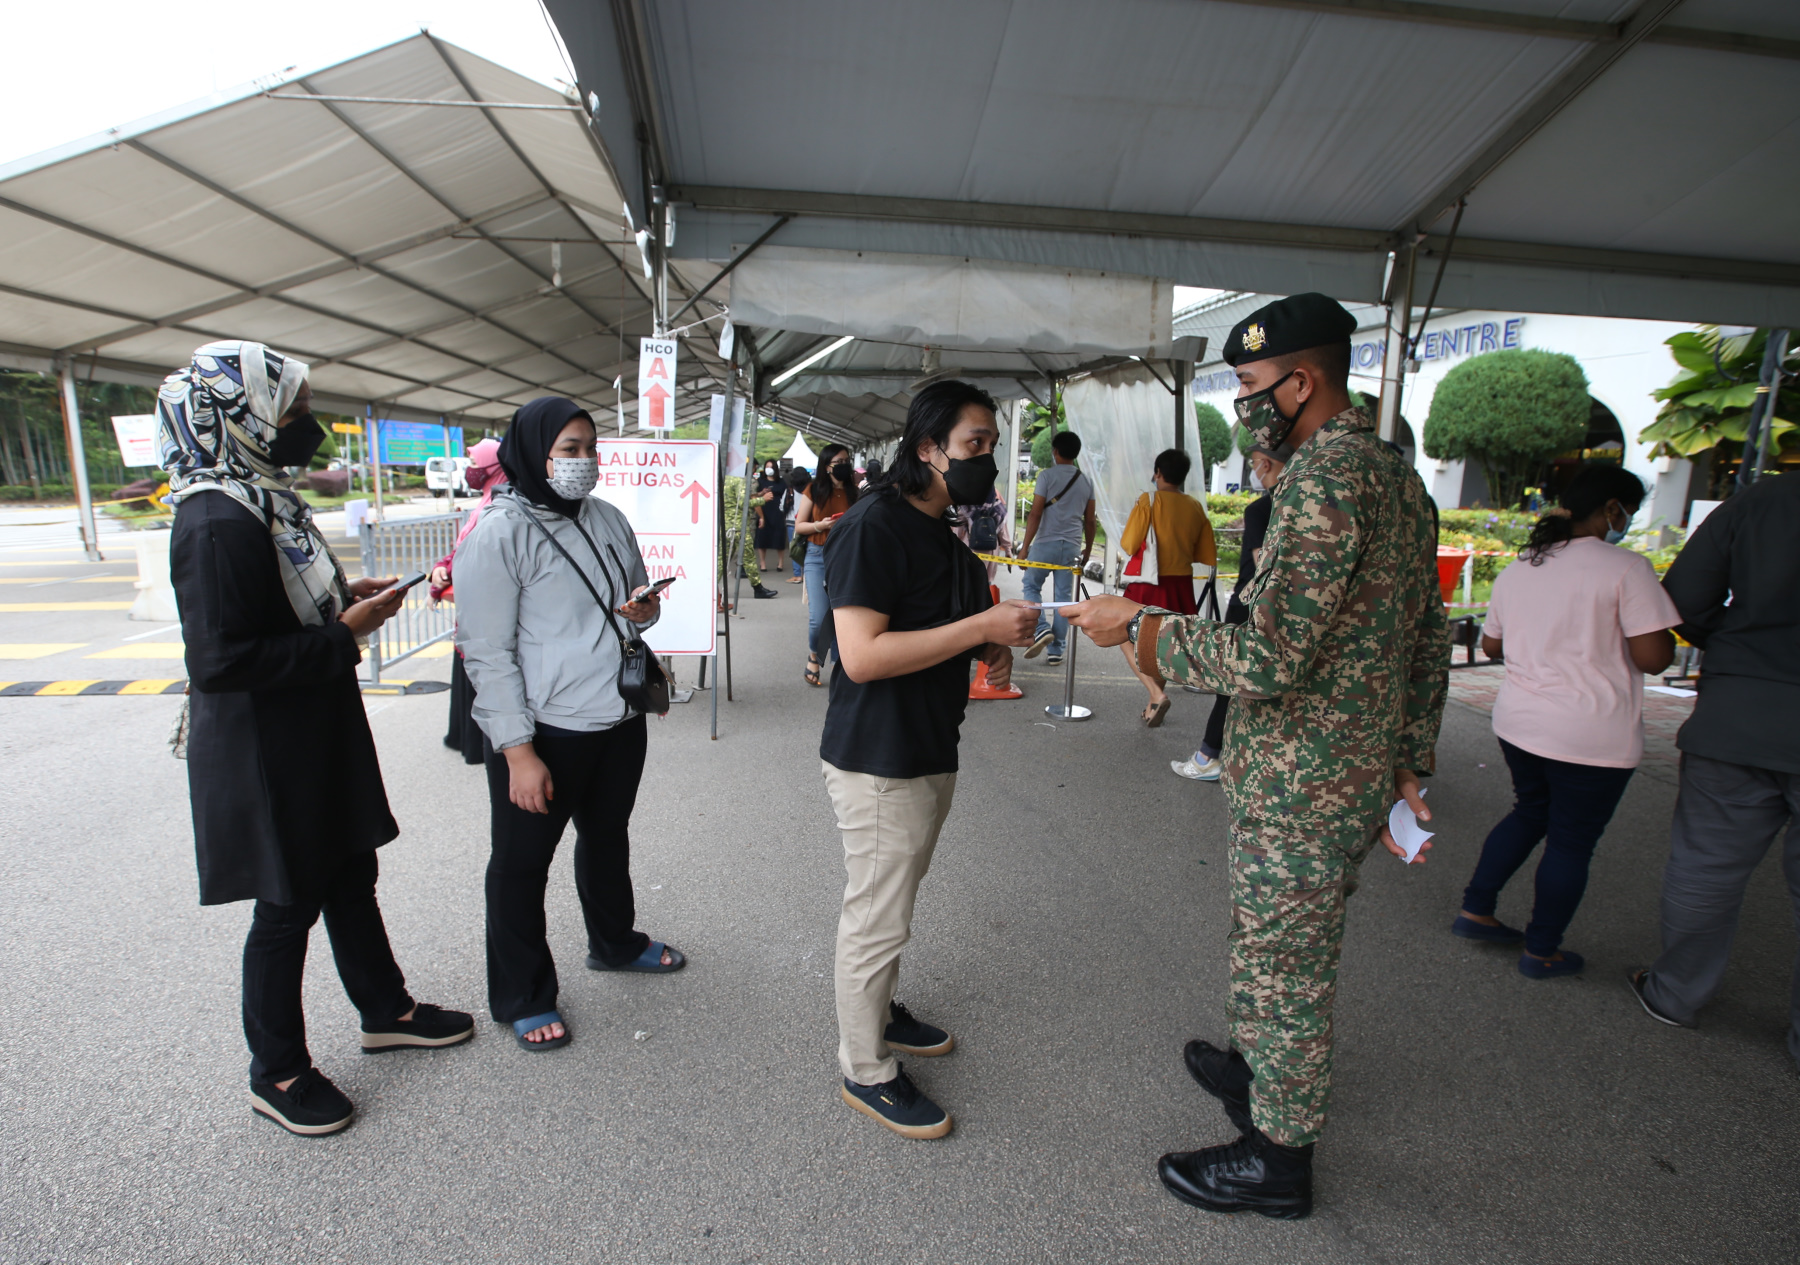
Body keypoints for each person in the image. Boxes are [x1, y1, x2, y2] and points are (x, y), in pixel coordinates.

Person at [1065, 293, 1449, 1218]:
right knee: (1268, 938)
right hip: (1339, 767)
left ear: (1300, 380)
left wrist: (1144, 630)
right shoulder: (1397, 478)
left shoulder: (1325, 479)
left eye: (1246, 382)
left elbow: (1268, 655)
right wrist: (1411, 755)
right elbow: (1424, 636)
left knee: (1290, 965)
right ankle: (1252, 1070)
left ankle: (1277, 1157)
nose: (1241, 399)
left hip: (1306, 778)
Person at [162, 340, 474, 1137]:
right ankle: (277, 1069)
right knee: (287, 901)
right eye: (291, 410)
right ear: (242, 416)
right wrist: (342, 634)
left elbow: (287, 602)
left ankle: (384, 1008)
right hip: (270, 747)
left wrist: (347, 597)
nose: (306, 426)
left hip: (311, 721)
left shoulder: (262, 495)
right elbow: (222, 659)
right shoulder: (213, 518)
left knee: (348, 871)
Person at [820, 380, 1038, 1139]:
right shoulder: (871, 527)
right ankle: (864, 1066)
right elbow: (862, 656)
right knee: (876, 915)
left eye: (991, 446)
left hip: (927, 747)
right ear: (926, 449)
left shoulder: (945, 535)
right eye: (974, 444)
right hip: (879, 759)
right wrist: (979, 621)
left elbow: (950, 635)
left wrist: (995, 643)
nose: (986, 459)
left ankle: (879, 1009)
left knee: (894, 899)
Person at [453, 397, 684, 1054]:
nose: (585, 462)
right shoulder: (499, 533)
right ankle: (523, 994)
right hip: (545, 731)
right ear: (532, 452)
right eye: (569, 450)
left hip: (617, 716)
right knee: (522, 864)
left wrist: (642, 610)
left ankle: (615, 942)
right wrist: (518, 752)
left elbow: (635, 611)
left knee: (607, 834)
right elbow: (486, 651)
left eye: (591, 448)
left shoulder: (608, 518)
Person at [1453, 466, 1678, 977]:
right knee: (1572, 840)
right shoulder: (1626, 569)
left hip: (1520, 724)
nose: (1629, 521)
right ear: (1613, 509)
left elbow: (1491, 645)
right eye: (1631, 511)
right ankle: (1542, 949)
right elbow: (1655, 658)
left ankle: (1476, 909)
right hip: (1592, 734)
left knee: (1530, 812)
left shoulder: (1522, 567)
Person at [1629, 468, 1800, 1067]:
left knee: (1706, 865)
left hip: (1741, 711)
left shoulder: (1759, 502)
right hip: (1745, 707)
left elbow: (1682, 600)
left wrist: (1738, 637)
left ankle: (1674, 993)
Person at [1174, 447, 1283, 782]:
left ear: (1265, 465)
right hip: (1287, 615)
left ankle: (1209, 754)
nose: (1253, 470)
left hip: (1250, 606)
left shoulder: (1262, 509)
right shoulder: (1306, 506)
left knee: (1230, 680)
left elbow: (1263, 565)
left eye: (1253, 464)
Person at [1118, 448, 1216, 727]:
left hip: (1149, 582)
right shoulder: (1195, 506)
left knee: (1124, 634)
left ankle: (1155, 694)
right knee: (1160, 643)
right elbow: (1204, 550)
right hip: (1181, 584)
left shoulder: (1148, 500)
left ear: (1158, 473)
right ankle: (1153, 701)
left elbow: (1129, 542)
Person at [431, 438, 507, 765]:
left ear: (494, 466)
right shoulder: (487, 500)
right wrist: (443, 567)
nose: (471, 471)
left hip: (487, 615)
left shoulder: (504, 506)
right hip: (472, 612)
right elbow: (463, 549)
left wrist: (454, 570)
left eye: (475, 463)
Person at [1016, 431, 1096, 665]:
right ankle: (1056, 649)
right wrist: (1088, 549)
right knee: (1064, 598)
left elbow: (1036, 513)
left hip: (1044, 545)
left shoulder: (1046, 476)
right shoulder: (1086, 481)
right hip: (1071, 547)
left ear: (1055, 451)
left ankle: (1041, 628)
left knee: (1031, 584)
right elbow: (1090, 521)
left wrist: (1024, 548)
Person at [794, 443, 858, 685]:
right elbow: (800, 525)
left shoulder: (855, 491)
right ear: (826, 466)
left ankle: (841, 664)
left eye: (846, 462)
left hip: (847, 555)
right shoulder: (815, 490)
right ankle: (813, 654)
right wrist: (821, 525)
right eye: (838, 462)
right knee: (819, 615)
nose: (843, 466)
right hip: (817, 553)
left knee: (843, 613)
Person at [721, 474, 779, 601]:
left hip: (726, 524)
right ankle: (758, 589)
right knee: (749, 558)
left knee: (722, 560)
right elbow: (743, 502)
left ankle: (710, 587)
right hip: (738, 525)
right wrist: (763, 499)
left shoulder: (724, 478)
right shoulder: (738, 479)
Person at [754, 460, 790, 574]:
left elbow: (787, 495)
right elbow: (754, 495)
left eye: (771, 467)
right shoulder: (760, 481)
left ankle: (780, 562)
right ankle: (762, 563)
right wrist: (762, 493)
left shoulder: (782, 482)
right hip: (763, 511)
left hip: (778, 512)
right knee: (762, 538)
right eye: (767, 466)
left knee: (779, 537)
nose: (768, 469)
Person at [785, 466, 810, 582]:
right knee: (807, 548)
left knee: (795, 548)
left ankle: (797, 575)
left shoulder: (789, 490)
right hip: (808, 523)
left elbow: (782, 506)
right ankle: (807, 574)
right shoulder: (811, 490)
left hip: (792, 522)